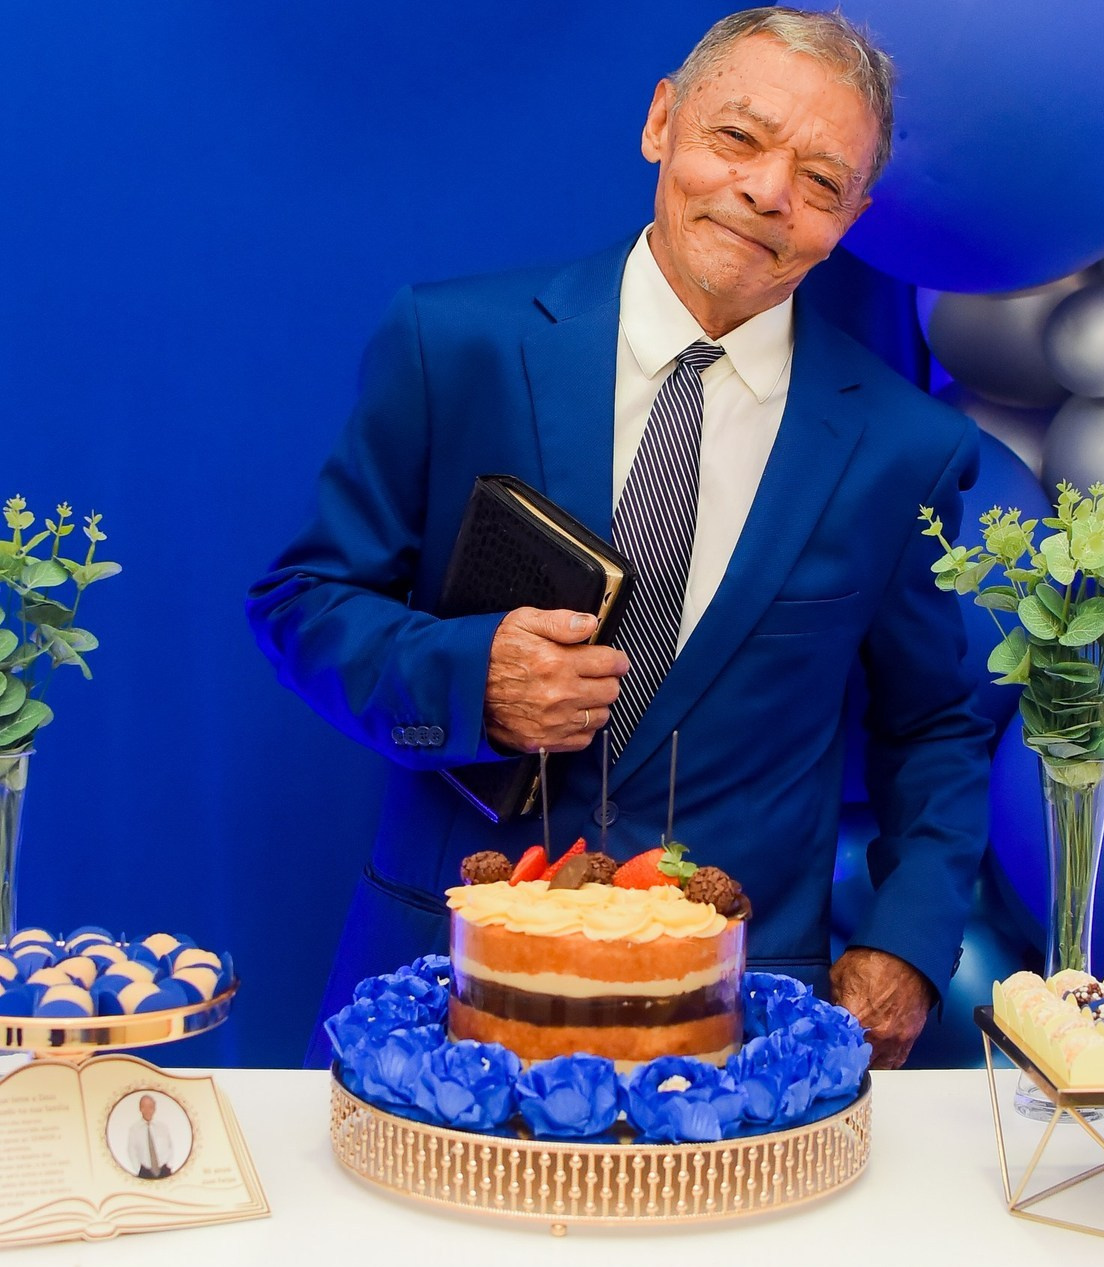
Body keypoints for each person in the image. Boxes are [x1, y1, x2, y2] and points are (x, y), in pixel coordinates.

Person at [247, 7, 990, 1069]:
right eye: (737, 139)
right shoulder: (449, 343)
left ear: (850, 218)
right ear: (661, 123)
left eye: (819, 181)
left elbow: (932, 725)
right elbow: (302, 599)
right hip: (442, 978)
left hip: (740, 1015)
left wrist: (906, 943)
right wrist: (472, 676)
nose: (767, 192)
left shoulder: (902, 445)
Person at [126, 1094, 173, 1179]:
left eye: (150, 1107)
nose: (148, 1110)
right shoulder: (134, 1129)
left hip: (164, 1170)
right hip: (145, 1172)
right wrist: (138, 1169)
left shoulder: (162, 1127)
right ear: (140, 1108)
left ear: (154, 1108)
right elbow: (131, 1151)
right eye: (144, 1107)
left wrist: (169, 1164)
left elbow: (170, 1147)